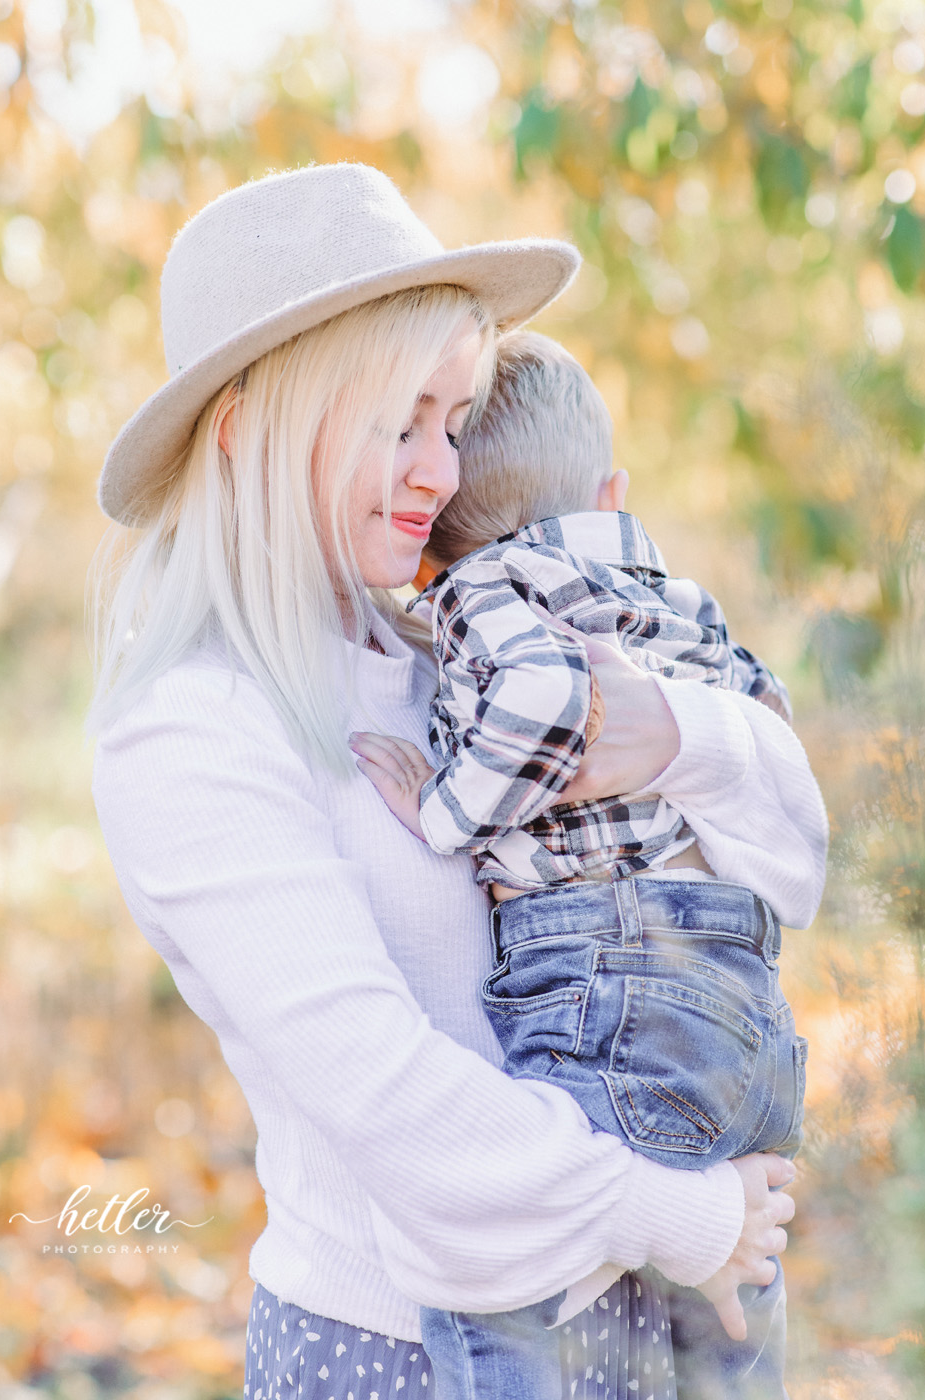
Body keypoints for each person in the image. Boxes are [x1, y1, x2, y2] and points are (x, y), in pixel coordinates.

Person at [89, 162, 804, 1400]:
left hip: (645, 1308)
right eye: (401, 421)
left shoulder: (456, 649)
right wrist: (688, 1216)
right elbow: (395, 1101)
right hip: (407, 1349)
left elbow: (787, 862)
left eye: (458, 421)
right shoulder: (195, 728)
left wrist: (685, 735)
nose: (442, 472)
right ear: (247, 427)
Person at [350, 330, 826, 1400]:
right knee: (729, 1294)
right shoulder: (676, 591)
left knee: (492, 1271)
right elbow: (769, 718)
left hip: (606, 980)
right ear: (610, 489)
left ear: (442, 538)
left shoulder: (483, 587)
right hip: (739, 994)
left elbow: (544, 702)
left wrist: (441, 809)